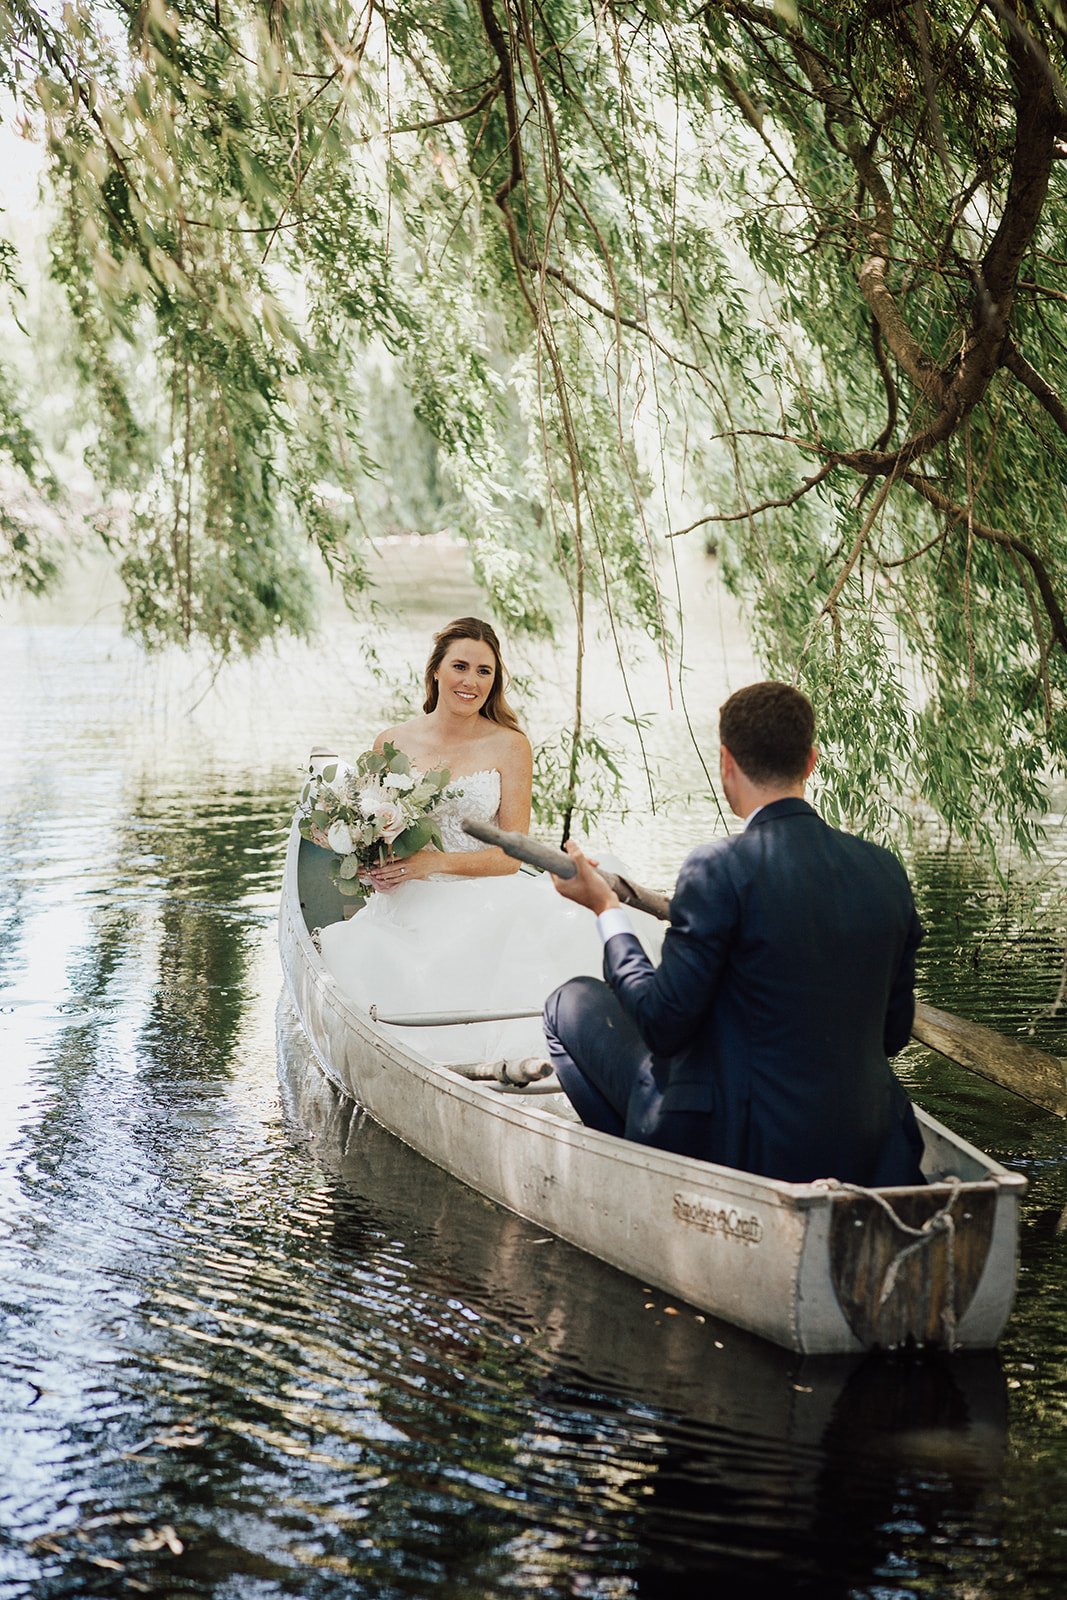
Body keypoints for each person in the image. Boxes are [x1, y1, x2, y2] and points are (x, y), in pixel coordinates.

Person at [543, 680, 926, 1186]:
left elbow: (662, 1025)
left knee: (567, 1004)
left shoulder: (718, 867)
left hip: (742, 1145)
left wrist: (607, 909)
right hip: (869, 1141)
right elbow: (893, 1033)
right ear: (810, 761)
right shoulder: (883, 870)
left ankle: (650, 1180)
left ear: (726, 762)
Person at [317, 617, 663, 1065]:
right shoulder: (390, 742)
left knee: (561, 929)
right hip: (409, 901)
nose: (471, 681)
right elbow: (368, 837)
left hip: (487, 891)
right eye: (461, 666)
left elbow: (510, 858)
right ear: (436, 669)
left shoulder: (510, 745)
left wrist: (430, 862)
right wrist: (373, 865)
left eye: (485, 671)